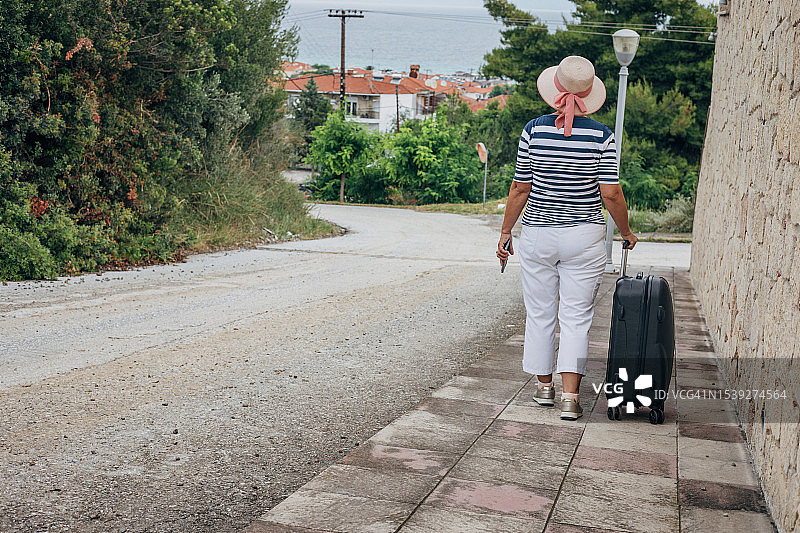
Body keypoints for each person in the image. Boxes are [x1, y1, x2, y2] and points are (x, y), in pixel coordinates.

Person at [496, 55, 638, 420]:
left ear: (554, 89)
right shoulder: (602, 135)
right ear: (590, 94)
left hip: (539, 233)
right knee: (576, 318)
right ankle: (570, 399)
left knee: (540, 314)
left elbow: (519, 187)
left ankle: (545, 388)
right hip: (584, 237)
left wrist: (505, 232)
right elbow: (611, 194)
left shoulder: (534, 130)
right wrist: (625, 231)